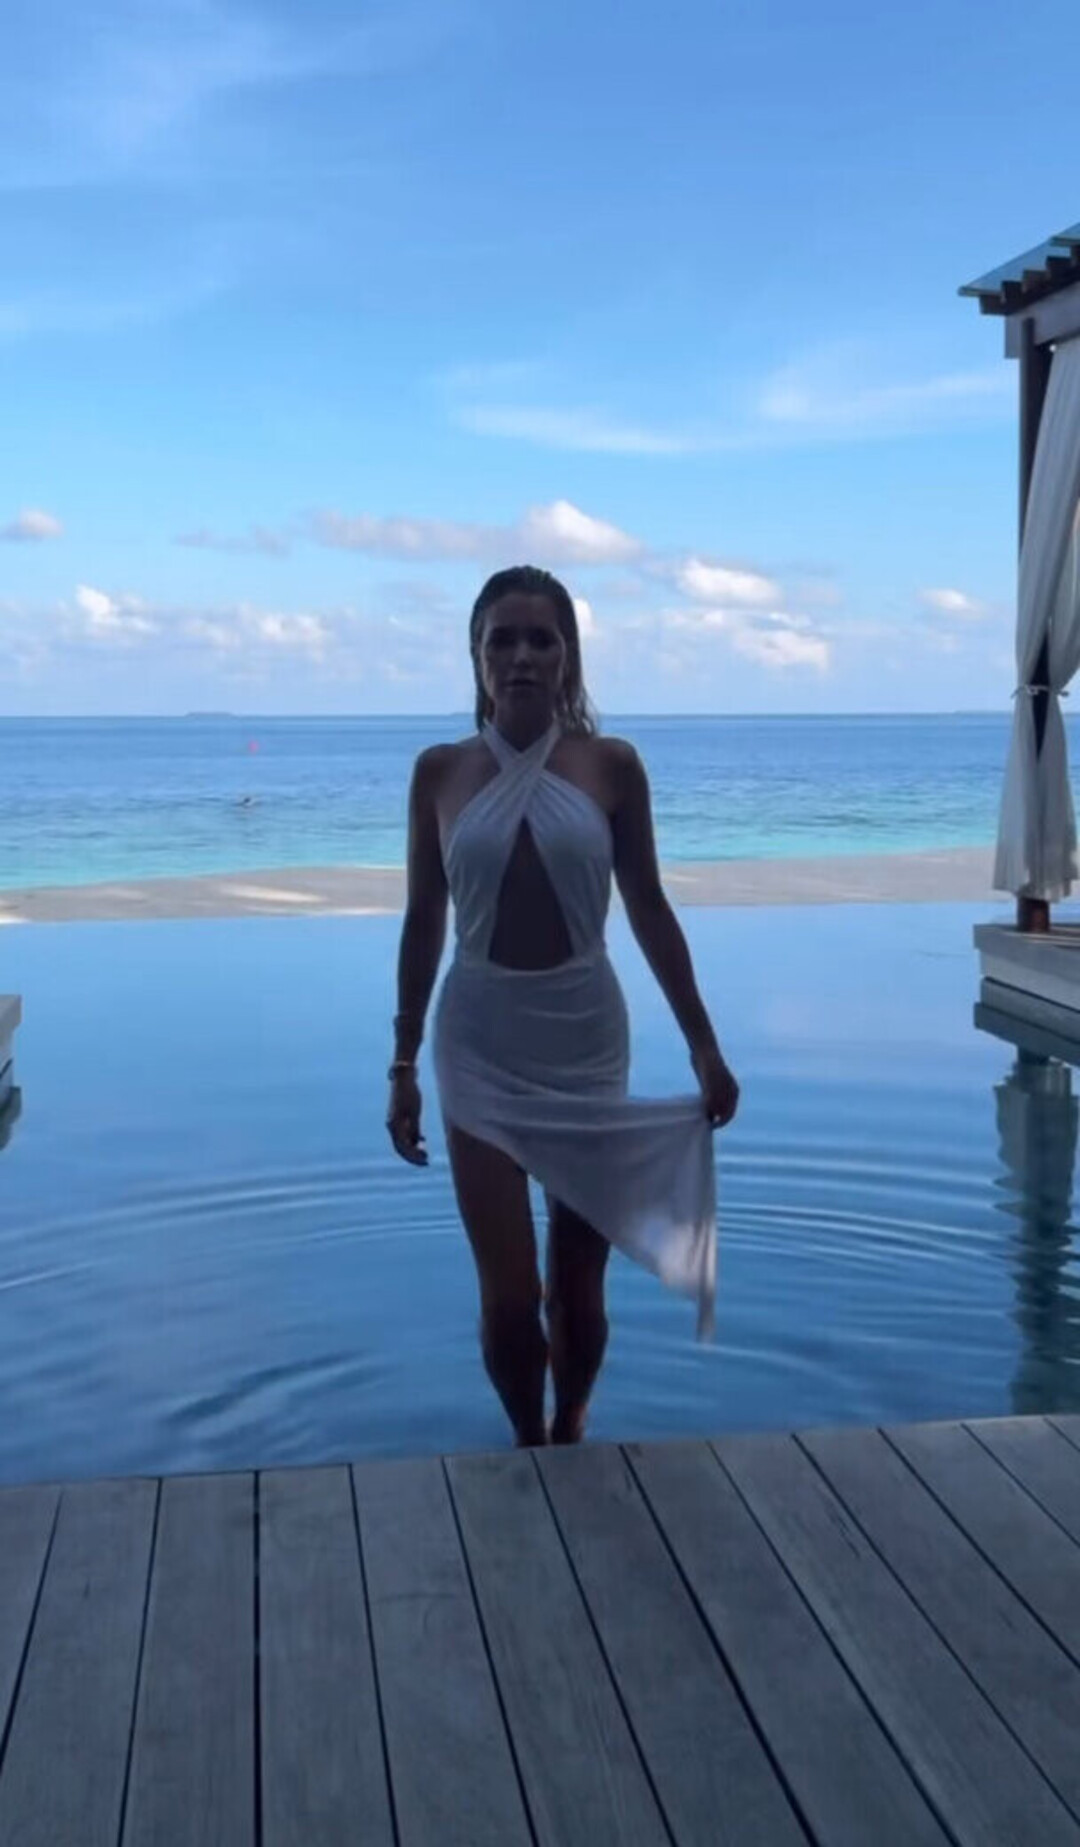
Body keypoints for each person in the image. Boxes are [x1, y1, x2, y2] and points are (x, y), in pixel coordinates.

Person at [387, 564, 739, 1447]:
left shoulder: (612, 766)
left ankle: (571, 1428)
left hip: (584, 1036)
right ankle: (528, 1444)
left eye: (541, 639)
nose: (521, 655)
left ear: (568, 656)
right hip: (477, 1040)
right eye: (501, 639)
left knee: (578, 1287)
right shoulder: (439, 773)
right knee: (510, 1297)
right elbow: (424, 919)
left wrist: (703, 1043)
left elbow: (648, 905)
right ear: (476, 655)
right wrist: (402, 1062)